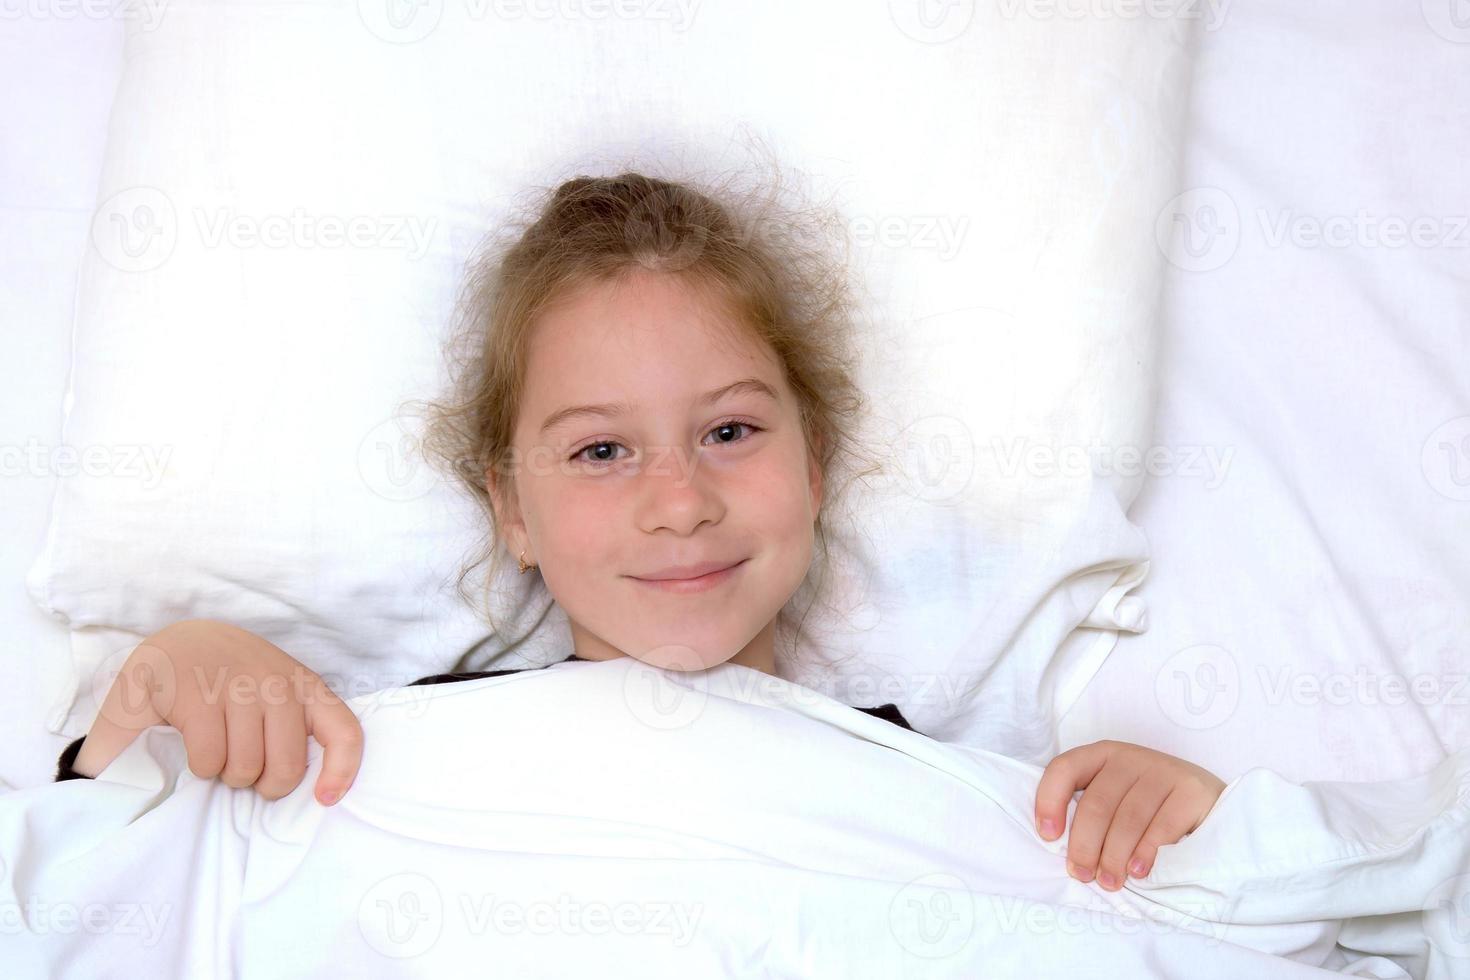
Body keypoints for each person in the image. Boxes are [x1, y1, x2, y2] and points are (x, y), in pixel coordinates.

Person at [54, 172, 1225, 896]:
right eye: (602, 450)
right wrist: (152, 695)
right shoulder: (378, 756)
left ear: (814, 464)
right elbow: (88, 886)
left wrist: (1174, 828)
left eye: (728, 429)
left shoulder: (939, 782)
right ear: (510, 506)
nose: (680, 501)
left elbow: (1095, 923)